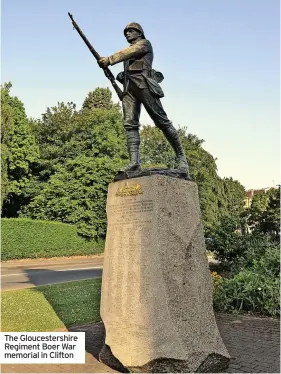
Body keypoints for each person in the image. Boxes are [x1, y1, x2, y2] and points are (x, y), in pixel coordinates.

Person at [98, 22, 189, 176]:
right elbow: (128, 69)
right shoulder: (128, 52)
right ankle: (134, 163)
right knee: (130, 125)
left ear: (139, 33)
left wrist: (109, 60)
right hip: (129, 89)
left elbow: (129, 52)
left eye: (131, 31)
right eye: (126, 32)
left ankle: (182, 160)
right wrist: (115, 75)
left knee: (161, 121)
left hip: (144, 85)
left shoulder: (144, 44)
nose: (127, 33)